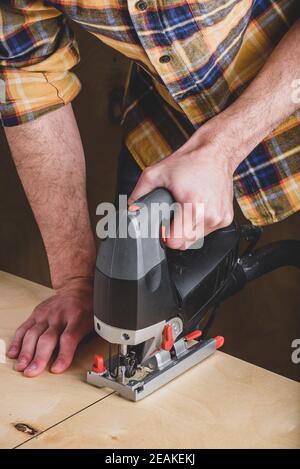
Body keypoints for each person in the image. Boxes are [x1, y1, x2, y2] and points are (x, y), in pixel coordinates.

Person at [1, 1, 299, 378]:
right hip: (167, 127)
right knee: (133, 283)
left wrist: (221, 148)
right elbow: (27, 75)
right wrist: (77, 281)